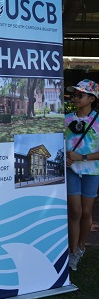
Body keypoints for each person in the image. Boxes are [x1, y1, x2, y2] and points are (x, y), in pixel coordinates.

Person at [64, 79, 99, 271]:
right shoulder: (66, 119)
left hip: (92, 172)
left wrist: (82, 157)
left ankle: (80, 248)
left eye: (80, 94)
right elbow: (59, 144)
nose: (75, 97)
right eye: (74, 94)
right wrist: (65, 158)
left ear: (92, 99)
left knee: (86, 212)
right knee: (75, 211)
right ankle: (71, 251)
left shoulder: (98, 121)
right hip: (71, 171)